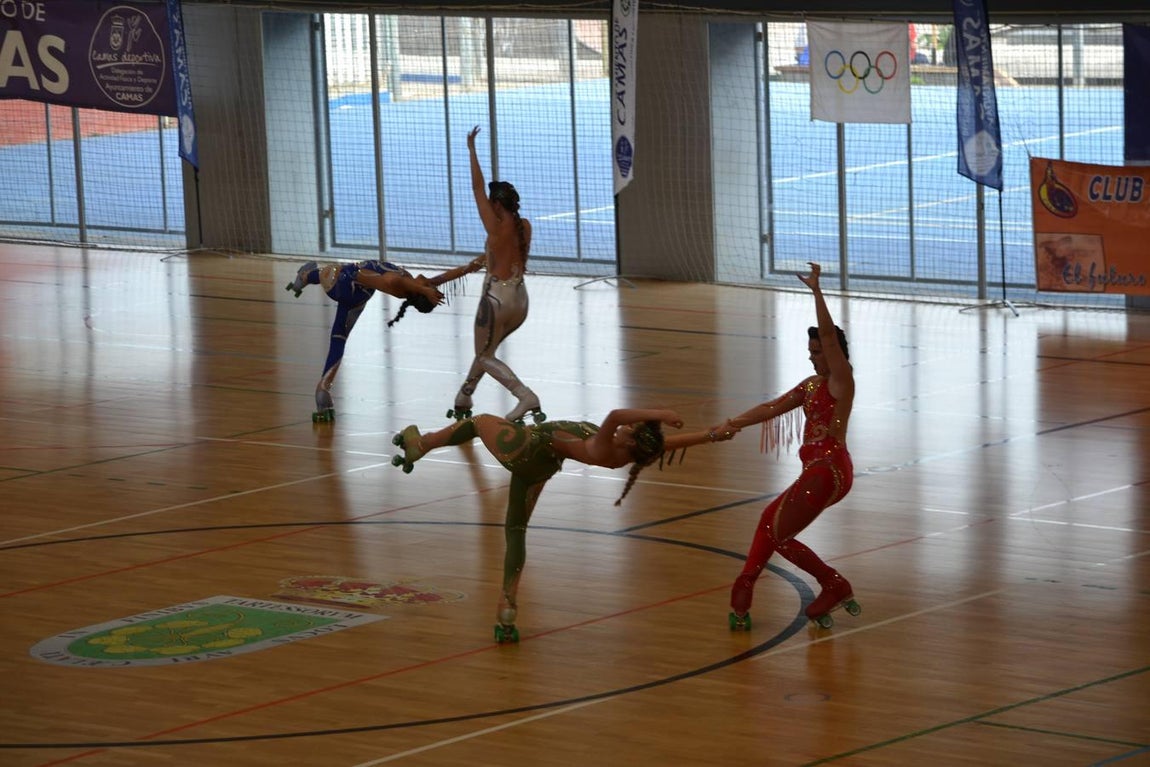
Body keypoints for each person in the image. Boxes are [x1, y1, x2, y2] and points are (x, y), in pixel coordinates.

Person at [390, 408, 736, 642]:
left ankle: (422, 444)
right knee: (515, 531)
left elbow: (616, 415)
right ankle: (507, 608)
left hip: (527, 450)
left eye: (634, 430)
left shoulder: (607, 447)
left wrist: (659, 414)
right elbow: (669, 443)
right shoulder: (631, 453)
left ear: (630, 441)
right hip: (542, 467)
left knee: (479, 421)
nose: (630, 427)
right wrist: (711, 435)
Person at [713, 262, 859, 630]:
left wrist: (816, 292)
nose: (813, 355)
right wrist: (732, 424)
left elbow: (829, 338)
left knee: (777, 533)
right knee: (769, 523)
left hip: (829, 470)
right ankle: (744, 591)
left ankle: (833, 583)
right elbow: (771, 407)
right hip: (820, 471)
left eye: (818, 351)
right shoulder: (811, 385)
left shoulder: (841, 381)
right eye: (810, 351)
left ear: (835, 353)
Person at [286, 258, 480, 422]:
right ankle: (323, 390)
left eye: (428, 287)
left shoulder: (402, 286)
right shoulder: (416, 285)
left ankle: (304, 277)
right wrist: (476, 264)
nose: (430, 283)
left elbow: (388, 280)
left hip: (342, 280)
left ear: (420, 292)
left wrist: (425, 291)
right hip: (357, 295)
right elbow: (446, 276)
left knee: (335, 271)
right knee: (339, 339)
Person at [448, 125, 543, 425]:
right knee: (487, 349)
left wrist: (471, 150)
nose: (487, 205)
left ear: (497, 204)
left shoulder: (495, 225)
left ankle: (525, 396)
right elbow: (507, 255)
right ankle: (465, 394)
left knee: (486, 355)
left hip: (496, 300)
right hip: (521, 301)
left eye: (492, 202)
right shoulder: (523, 225)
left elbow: (477, 187)